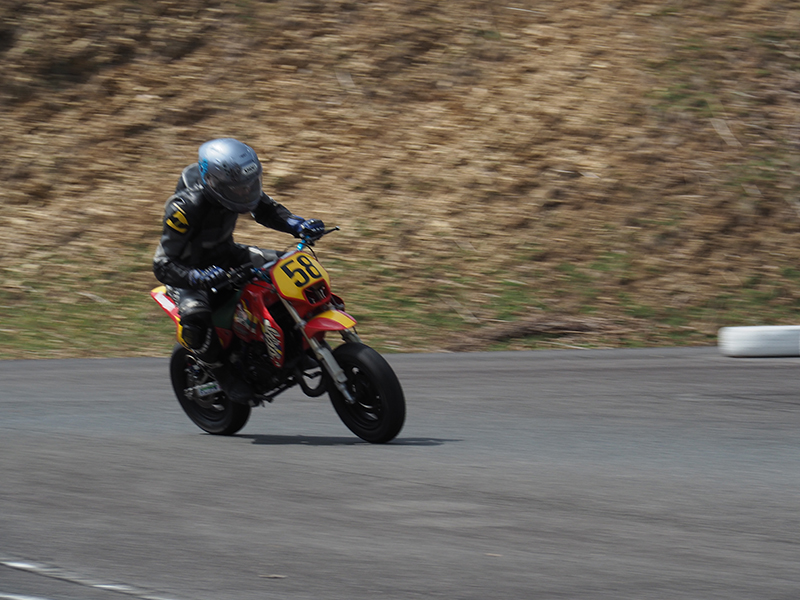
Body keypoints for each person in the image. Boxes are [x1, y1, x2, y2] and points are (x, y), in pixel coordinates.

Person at [153, 138, 325, 405]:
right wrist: (197, 277)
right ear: (213, 183)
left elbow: (266, 210)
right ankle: (222, 372)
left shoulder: (239, 187)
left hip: (226, 254)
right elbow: (162, 264)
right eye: (238, 188)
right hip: (188, 271)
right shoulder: (184, 208)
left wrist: (298, 225)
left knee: (286, 266)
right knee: (196, 316)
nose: (246, 192)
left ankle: (296, 343)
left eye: (251, 184)